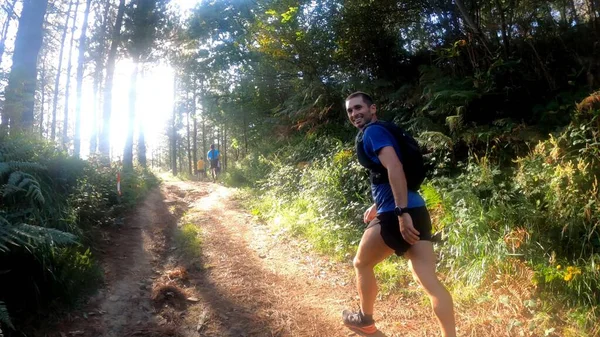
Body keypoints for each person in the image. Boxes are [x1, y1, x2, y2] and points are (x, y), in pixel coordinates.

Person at [342, 92, 456, 336]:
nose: (354, 114)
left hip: (398, 212)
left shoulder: (373, 132)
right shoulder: (387, 130)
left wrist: (400, 212)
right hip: (417, 208)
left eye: (358, 107)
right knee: (429, 281)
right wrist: (379, 204)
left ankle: (365, 321)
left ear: (373, 108)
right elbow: (390, 174)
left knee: (361, 263)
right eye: (350, 111)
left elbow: (394, 167)